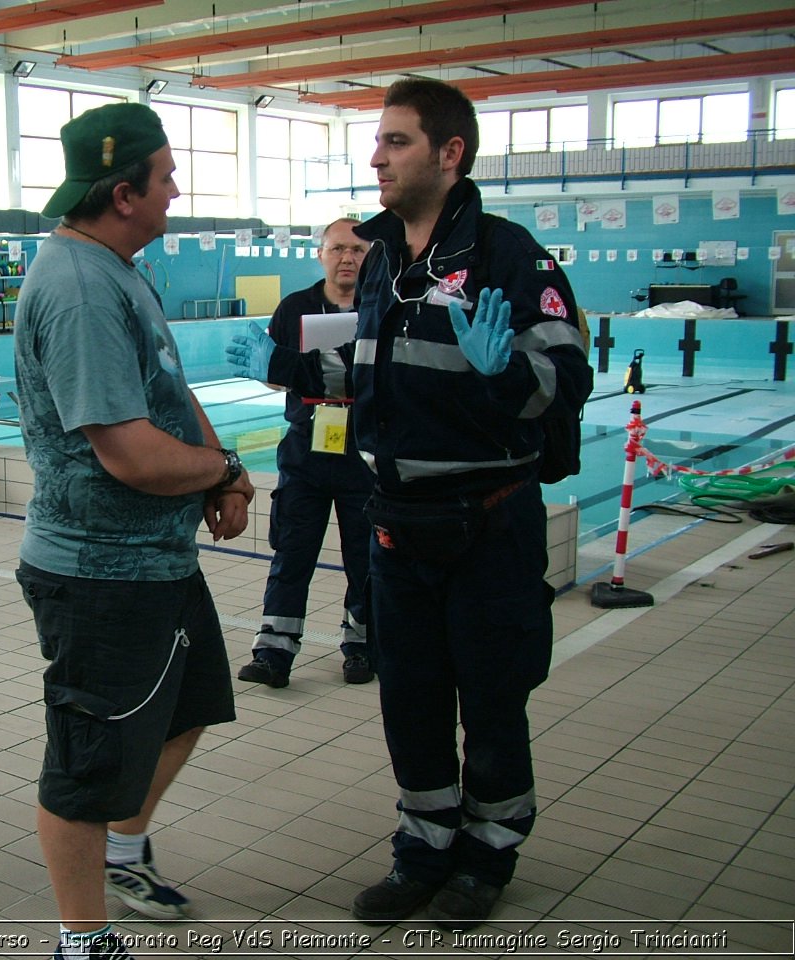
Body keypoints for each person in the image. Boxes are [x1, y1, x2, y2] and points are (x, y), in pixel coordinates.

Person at [227, 78, 592, 930]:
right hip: (398, 521)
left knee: (493, 700)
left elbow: (566, 382)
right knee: (413, 697)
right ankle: (422, 847)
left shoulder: (510, 255)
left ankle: (487, 857)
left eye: (395, 141)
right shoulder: (385, 257)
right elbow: (368, 377)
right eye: (378, 141)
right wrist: (283, 368)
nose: (375, 156)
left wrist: (505, 368)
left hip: (488, 521)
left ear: (449, 153)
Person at [14, 102, 254, 960]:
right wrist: (219, 474)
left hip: (154, 562)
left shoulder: (117, 267)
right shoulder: (78, 289)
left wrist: (222, 466)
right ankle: (85, 942)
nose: (176, 190)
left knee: (190, 709)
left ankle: (122, 852)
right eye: (166, 176)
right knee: (85, 768)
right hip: (100, 573)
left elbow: (168, 388)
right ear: (124, 193)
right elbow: (130, 454)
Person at [236, 217, 376, 689]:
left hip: (365, 447)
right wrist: (274, 369)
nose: (347, 258)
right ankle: (274, 651)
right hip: (306, 444)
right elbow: (274, 374)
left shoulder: (383, 306)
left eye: (357, 250)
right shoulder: (296, 307)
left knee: (366, 554)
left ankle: (361, 645)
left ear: (370, 256)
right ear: (321, 253)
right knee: (292, 550)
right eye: (338, 249)